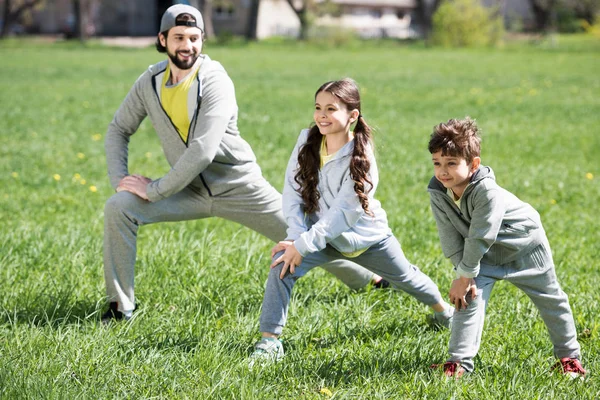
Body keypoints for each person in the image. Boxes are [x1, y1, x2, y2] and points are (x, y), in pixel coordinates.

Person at [101, 5, 386, 323]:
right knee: (120, 206)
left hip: (238, 186)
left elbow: (202, 151)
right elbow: (118, 129)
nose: (187, 45)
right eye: (179, 37)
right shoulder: (149, 82)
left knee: (301, 236)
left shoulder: (214, 81)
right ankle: (121, 307)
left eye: (194, 38)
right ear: (162, 39)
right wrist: (120, 179)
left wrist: (154, 189)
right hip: (187, 189)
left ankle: (370, 278)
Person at [249, 78, 453, 365]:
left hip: (368, 240)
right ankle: (270, 340)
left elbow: (345, 213)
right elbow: (292, 192)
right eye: (318, 107)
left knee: (407, 278)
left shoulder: (362, 158)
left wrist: (304, 242)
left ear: (352, 116)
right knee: (283, 264)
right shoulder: (306, 141)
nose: (321, 115)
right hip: (323, 237)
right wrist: (296, 237)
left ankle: (443, 311)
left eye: (331, 109)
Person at [427, 117, 586, 378]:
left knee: (551, 299)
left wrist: (465, 275)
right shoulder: (438, 192)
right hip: (486, 256)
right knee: (467, 299)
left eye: (452, 163)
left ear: (474, 164)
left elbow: (479, 236)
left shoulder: (486, 191)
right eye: (437, 163)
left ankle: (569, 358)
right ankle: (459, 364)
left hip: (525, 247)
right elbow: (450, 237)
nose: (443, 171)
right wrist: (463, 275)